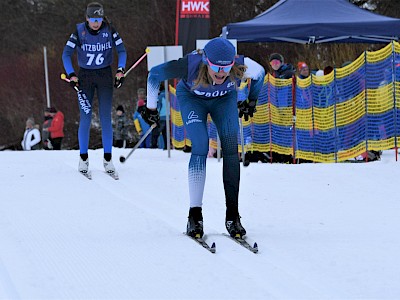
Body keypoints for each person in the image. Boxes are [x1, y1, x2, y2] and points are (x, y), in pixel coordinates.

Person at [142, 37, 265, 238]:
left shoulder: (240, 65)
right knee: (200, 145)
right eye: (216, 67)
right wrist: (151, 108)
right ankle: (195, 216)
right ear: (206, 61)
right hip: (192, 100)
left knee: (231, 147)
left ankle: (233, 216)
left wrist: (252, 101)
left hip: (223, 101)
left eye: (226, 68)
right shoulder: (189, 65)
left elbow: (260, 73)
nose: (221, 73)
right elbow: (154, 74)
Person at [62, 2, 127, 176]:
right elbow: (66, 54)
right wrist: (71, 74)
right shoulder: (79, 31)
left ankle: (107, 159)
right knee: (86, 117)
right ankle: (83, 159)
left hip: (105, 76)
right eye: (92, 19)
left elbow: (122, 51)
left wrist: (120, 70)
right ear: (87, 18)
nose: (96, 23)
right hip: (85, 78)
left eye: (98, 19)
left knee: (106, 117)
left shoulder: (110, 30)